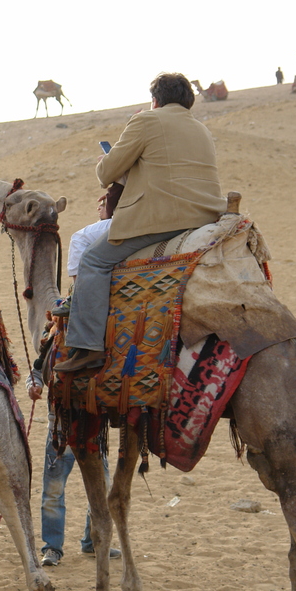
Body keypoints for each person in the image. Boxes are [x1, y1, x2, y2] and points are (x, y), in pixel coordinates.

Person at [56, 72, 223, 373]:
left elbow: (106, 174)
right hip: (206, 215)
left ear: (155, 100)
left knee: (93, 260)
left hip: (161, 219)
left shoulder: (147, 120)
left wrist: (106, 161)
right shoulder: (200, 128)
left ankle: (87, 348)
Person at [29, 192, 120, 566]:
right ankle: (53, 547)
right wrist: (35, 381)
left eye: (102, 202)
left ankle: (90, 539)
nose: (97, 205)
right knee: (54, 489)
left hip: (93, 423)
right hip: (60, 425)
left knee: (102, 486)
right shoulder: (57, 330)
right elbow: (41, 362)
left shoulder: (87, 237)